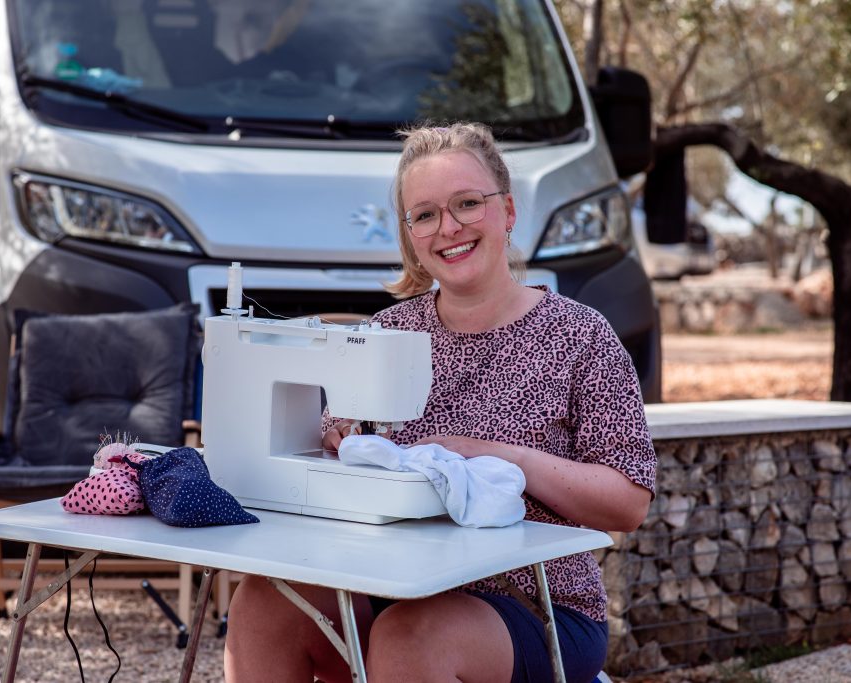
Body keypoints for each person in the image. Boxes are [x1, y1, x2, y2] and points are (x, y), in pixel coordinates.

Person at [223, 122, 656, 683]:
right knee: (263, 604)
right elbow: (334, 443)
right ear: (409, 236)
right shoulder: (386, 334)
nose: (448, 227)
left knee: (413, 638)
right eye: (424, 214)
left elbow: (628, 504)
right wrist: (331, 444)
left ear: (507, 211)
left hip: (535, 604)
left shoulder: (581, 336)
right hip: (389, 585)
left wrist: (503, 458)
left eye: (468, 204)